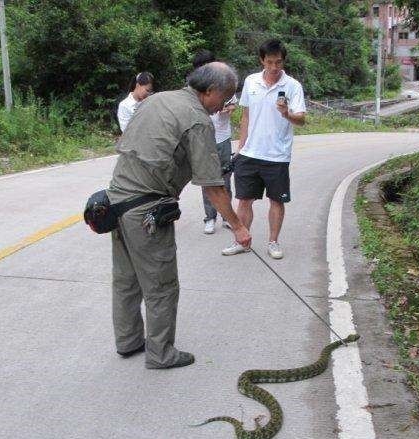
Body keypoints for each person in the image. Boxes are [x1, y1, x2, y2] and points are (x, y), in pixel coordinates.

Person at [107, 62, 251, 369]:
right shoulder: (198, 121)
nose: (224, 105)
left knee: (127, 279)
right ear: (209, 91)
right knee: (161, 285)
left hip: (115, 201)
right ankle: (160, 353)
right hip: (146, 209)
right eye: (224, 98)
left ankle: (129, 341)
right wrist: (238, 227)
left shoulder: (158, 99)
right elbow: (212, 186)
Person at [221, 39, 306, 259]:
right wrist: (240, 149)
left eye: (278, 62)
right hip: (249, 153)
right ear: (262, 60)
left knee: (276, 200)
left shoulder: (293, 86)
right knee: (244, 199)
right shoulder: (251, 82)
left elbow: (301, 120)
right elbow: (246, 117)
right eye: (270, 62)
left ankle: (273, 242)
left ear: (283, 61)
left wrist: (286, 113)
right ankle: (241, 240)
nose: (274, 67)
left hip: (277, 155)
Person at [191, 50, 237, 234]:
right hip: (203, 140)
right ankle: (210, 217)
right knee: (207, 179)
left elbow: (233, 103)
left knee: (225, 178)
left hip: (223, 137)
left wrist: (227, 109)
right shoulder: (194, 87)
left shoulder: (225, 83)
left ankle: (227, 216)